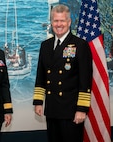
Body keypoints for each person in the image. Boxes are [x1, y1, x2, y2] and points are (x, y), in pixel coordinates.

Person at [33, 4, 92, 142]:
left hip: (71, 110)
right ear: (51, 22)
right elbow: (41, 76)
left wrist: (82, 109)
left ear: (69, 22)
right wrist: (38, 102)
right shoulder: (45, 46)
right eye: (55, 21)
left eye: (62, 21)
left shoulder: (80, 45)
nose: (59, 24)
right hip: (52, 108)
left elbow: (85, 79)